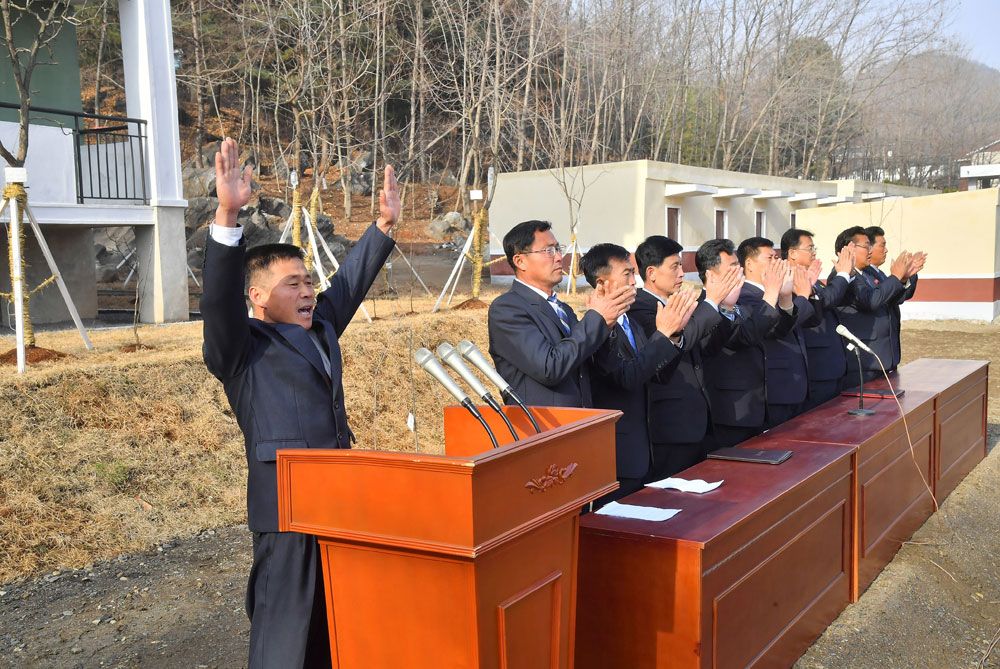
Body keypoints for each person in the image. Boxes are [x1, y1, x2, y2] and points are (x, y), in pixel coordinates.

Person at [201, 138, 399, 668]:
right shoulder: (241, 348)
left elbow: (350, 283)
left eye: (308, 279)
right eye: (292, 284)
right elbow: (218, 300)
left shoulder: (322, 326)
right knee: (282, 631)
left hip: (338, 499)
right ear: (259, 298)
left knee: (331, 624)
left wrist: (382, 227)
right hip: (286, 508)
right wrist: (227, 214)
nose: (308, 290)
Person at [580, 243, 696, 503]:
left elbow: (659, 375)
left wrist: (674, 335)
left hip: (648, 446)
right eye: (627, 274)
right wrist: (663, 334)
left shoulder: (631, 322)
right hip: (620, 455)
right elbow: (627, 377)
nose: (635, 281)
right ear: (602, 283)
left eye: (634, 273)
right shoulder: (595, 329)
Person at [629, 236, 743, 477]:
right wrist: (711, 302)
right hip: (670, 424)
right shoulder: (640, 308)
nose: (682, 273)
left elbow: (708, 346)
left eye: (682, 266)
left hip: (700, 420)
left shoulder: (678, 302)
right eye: (675, 266)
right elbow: (680, 342)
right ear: (651, 273)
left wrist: (726, 307)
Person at [487, 220, 633, 408]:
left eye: (558, 249)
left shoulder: (564, 310)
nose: (558, 257)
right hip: (544, 428)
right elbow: (550, 368)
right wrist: (596, 318)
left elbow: (593, 365)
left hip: (581, 423)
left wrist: (608, 324)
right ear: (520, 261)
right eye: (548, 251)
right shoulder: (508, 309)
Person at [704, 238, 803, 447]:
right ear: (711, 275)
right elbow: (744, 336)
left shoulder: (738, 302)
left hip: (756, 403)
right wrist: (771, 292)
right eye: (732, 267)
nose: (738, 270)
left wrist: (785, 298)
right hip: (732, 408)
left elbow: (777, 329)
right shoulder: (708, 308)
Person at [780, 228, 855, 409]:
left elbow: (825, 297)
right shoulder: (787, 278)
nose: (814, 253)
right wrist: (843, 274)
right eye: (810, 248)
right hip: (815, 362)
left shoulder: (808, 276)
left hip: (830, 360)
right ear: (792, 253)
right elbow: (827, 299)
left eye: (815, 248)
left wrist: (847, 275)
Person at [834, 226, 914, 383]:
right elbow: (871, 301)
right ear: (849, 249)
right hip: (864, 361)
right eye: (866, 246)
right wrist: (896, 276)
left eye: (871, 246)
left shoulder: (868, 274)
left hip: (882, 356)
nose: (870, 251)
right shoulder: (843, 277)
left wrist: (903, 278)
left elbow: (892, 297)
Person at [865, 225, 925, 370]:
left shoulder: (879, 274)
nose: (886, 250)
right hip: (873, 353)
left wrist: (905, 278)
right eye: (882, 245)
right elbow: (876, 300)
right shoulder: (862, 275)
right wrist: (896, 277)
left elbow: (898, 298)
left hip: (888, 350)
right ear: (869, 248)